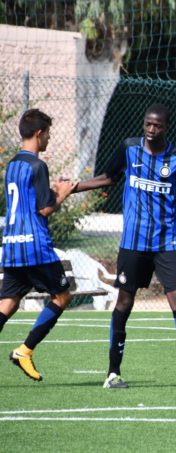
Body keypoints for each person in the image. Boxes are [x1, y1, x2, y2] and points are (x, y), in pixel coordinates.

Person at [74, 103, 176, 390]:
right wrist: (75, 186)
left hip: (166, 242)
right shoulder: (129, 149)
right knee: (124, 302)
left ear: (166, 128)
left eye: (157, 126)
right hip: (133, 243)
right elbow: (108, 177)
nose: (151, 130)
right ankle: (112, 373)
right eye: (147, 124)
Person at [0, 109, 76, 381]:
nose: (49, 139)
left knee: (7, 304)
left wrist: (52, 192)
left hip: (11, 245)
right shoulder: (37, 165)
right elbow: (44, 209)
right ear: (38, 133)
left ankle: (24, 352)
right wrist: (62, 193)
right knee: (62, 296)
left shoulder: (12, 165)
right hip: (36, 247)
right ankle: (25, 351)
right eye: (48, 134)